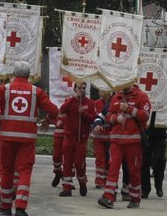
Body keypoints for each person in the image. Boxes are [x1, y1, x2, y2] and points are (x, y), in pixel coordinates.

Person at [0, 62, 58, 216]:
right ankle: (21, 207)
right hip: (28, 139)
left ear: (14, 74)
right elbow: (54, 110)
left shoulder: (4, 89)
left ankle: (6, 205)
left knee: (6, 170)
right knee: (24, 171)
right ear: (29, 76)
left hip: (7, 137)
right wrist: (47, 120)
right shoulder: (37, 91)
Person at [97, 80, 150, 209]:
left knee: (134, 171)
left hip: (133, 141)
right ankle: (108, 197)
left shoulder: (141, 96)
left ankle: (135, 198)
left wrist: (130, 109)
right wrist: (116, 119)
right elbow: (108, 115)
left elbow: (145, 116)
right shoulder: (116, 96)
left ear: (132, 80)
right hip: (116, 141)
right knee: (113, 168)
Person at [56, 80, 96, 196]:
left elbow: (92, 118)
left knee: (79, 163)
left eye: (84, 88)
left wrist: (83, 113)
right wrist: (73, 99)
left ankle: (82, 182)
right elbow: (62, 110)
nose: (82, 90)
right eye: (79, 88)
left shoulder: (90, 103)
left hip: (81, 138)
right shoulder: (69, 101)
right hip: (69, 136)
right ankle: (67, 187)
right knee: (67, 162)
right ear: (74, 89)